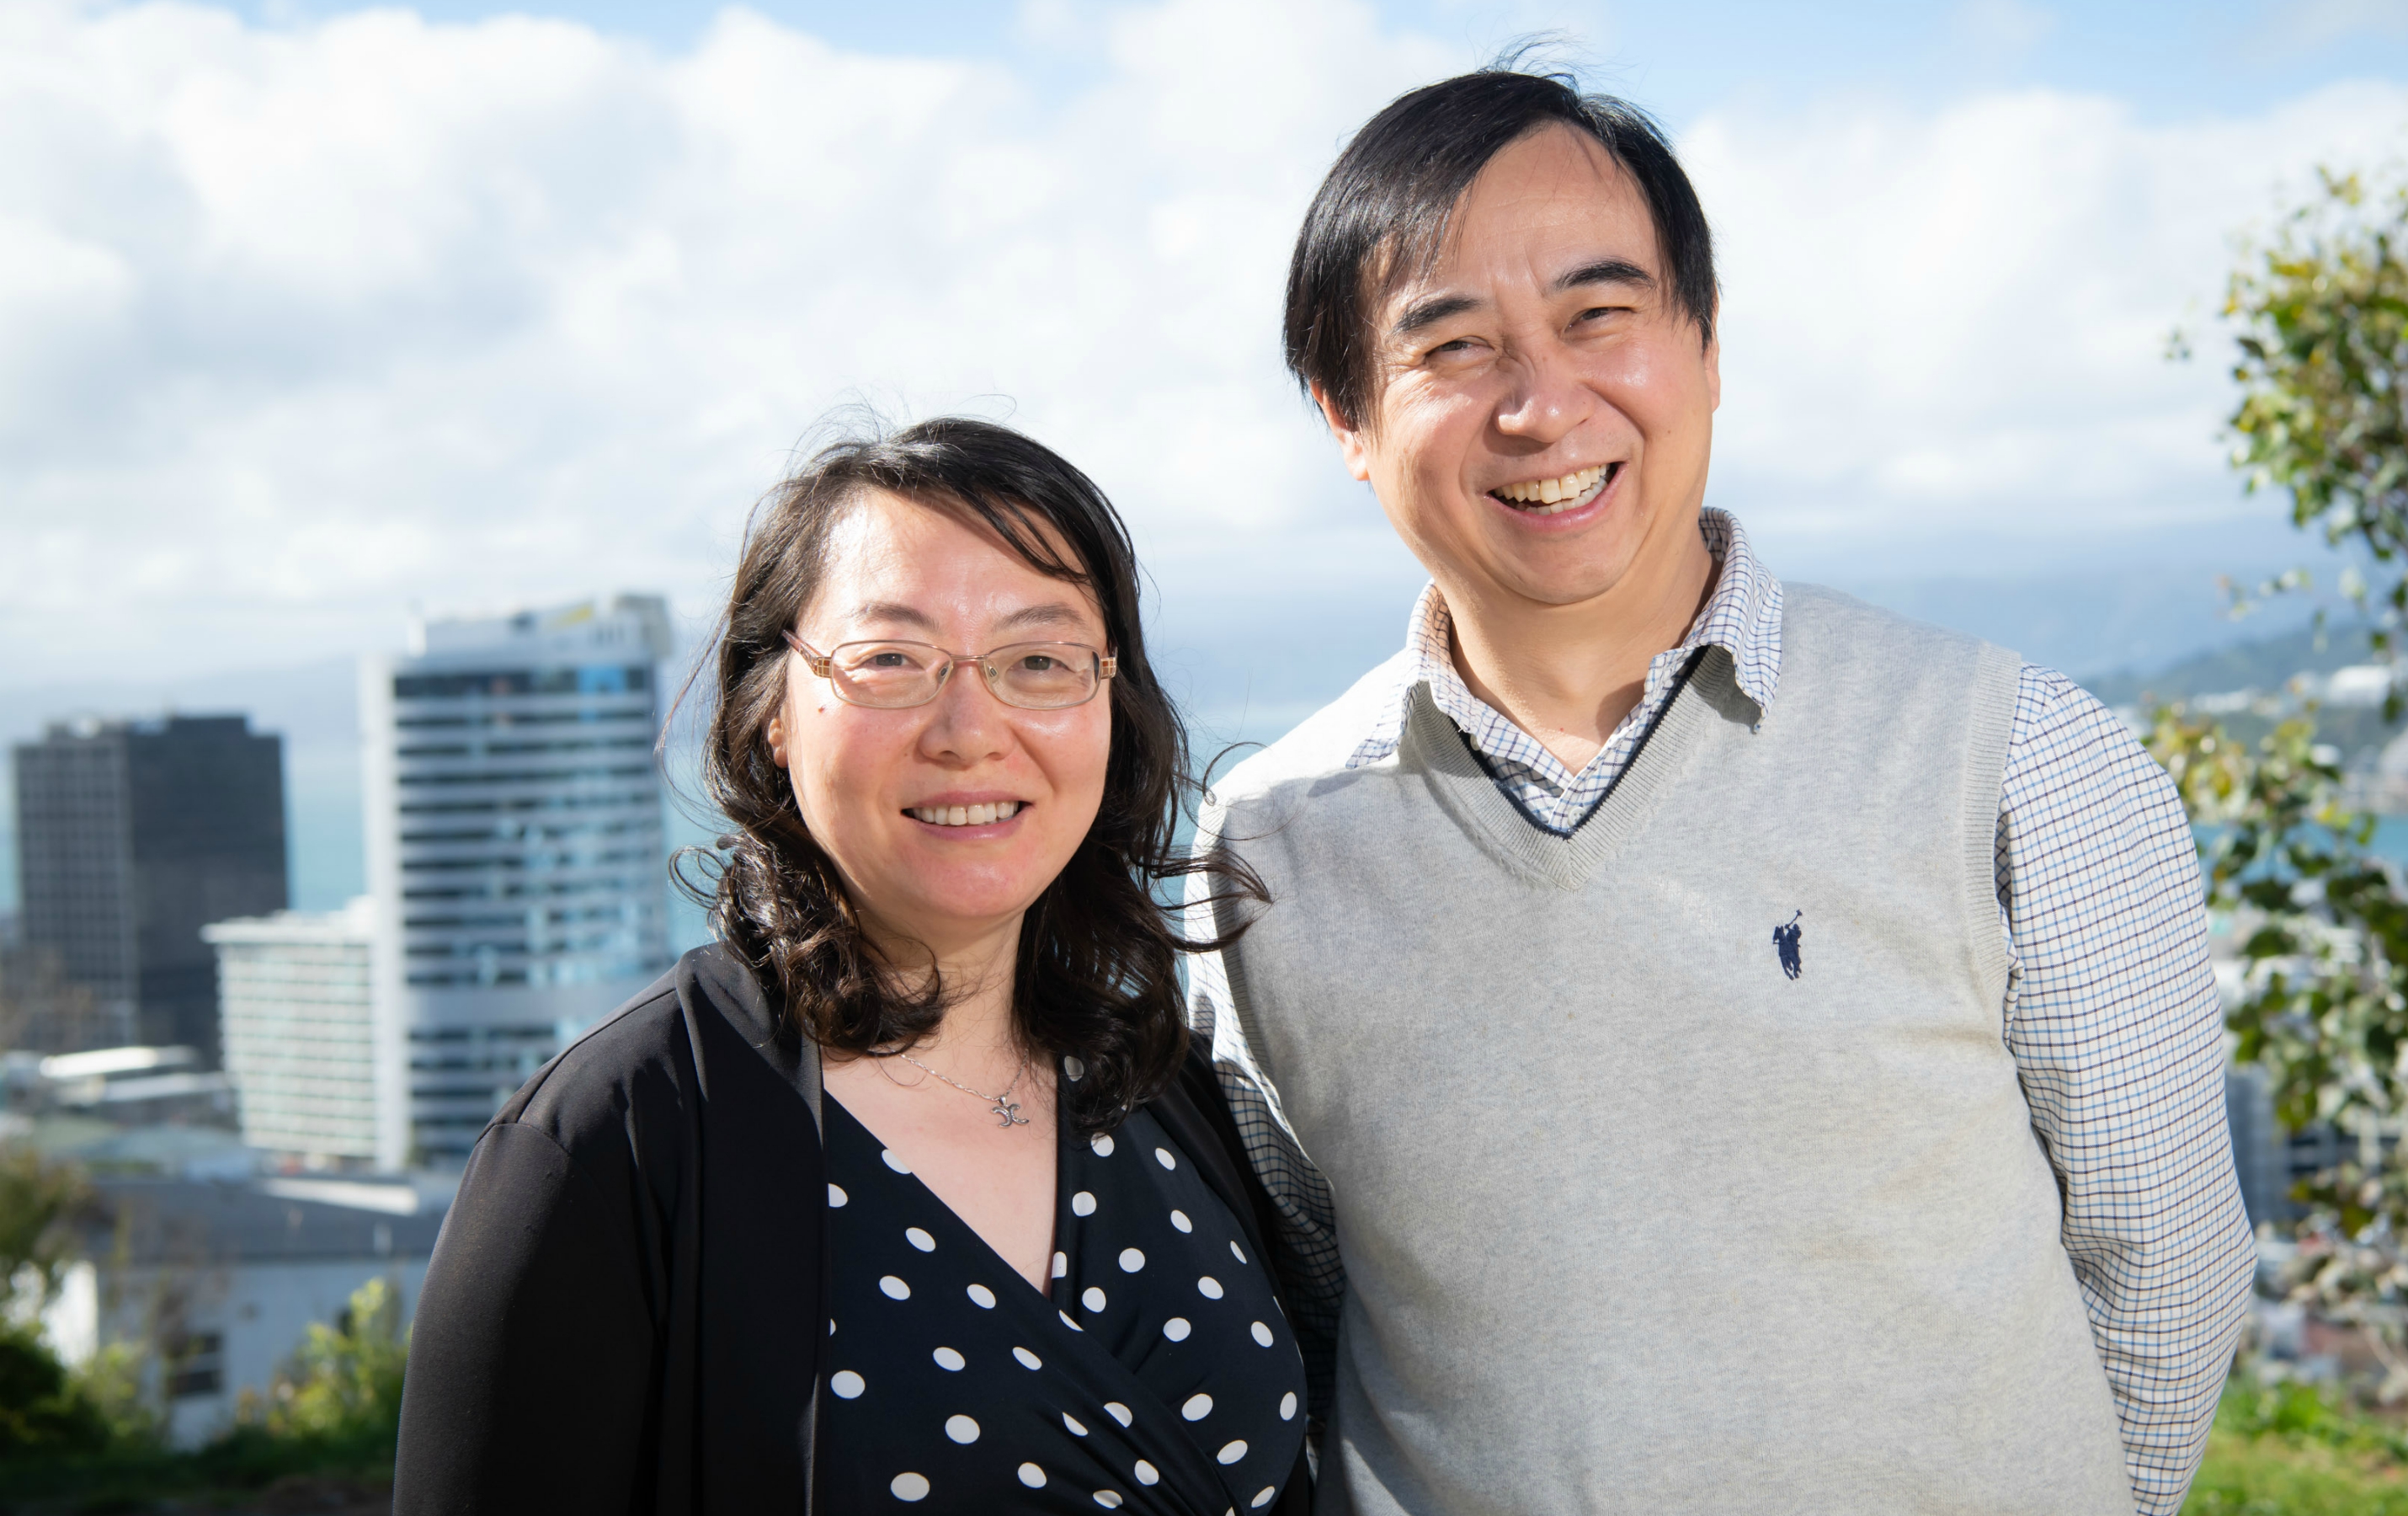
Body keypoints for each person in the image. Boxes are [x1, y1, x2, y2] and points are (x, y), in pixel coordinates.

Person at [1184, 67, 2258, 1515]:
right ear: (1347, 416)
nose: (1542, 404)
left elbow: (2169, 1274)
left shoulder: (2012, 754)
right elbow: (1316, 1288)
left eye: (1600, 318)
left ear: (1702, 346)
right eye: (1453, 347)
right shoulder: (1268, 845)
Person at [397, 417, 1314, 1515]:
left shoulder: (1166, 1085)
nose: (971, 730)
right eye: (890, 662)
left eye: (1039, 660)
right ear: (774, 712)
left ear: (1107, 702)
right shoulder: (609, 1144)